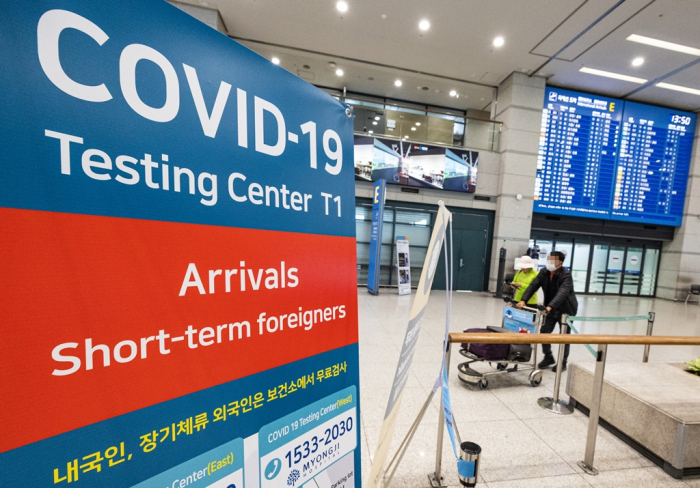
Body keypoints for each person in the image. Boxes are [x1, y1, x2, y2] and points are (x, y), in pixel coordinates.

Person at [516, 251, 578, 372]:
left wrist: (549, 307)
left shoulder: (566, 275)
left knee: (564, 336)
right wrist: (523, 300)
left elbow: (562, 293)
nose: (549, 263)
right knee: (544, 332)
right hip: (549, 308)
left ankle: (562, 362)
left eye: (553, 261)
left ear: (560, 263)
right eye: (549, 260)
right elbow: (533, 286)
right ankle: (548, 356)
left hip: (566, 310)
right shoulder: (544, 272)